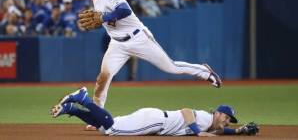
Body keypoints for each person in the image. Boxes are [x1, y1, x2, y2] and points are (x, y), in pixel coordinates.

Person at [64, 0, 222, 108]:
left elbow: (124, 10)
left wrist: (104, 16)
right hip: (117, 44)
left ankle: (205, 72)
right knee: (103, 78)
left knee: (171, 67)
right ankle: (98, 116)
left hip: (138, 38)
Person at [50, 87, 259, 136]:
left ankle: (71, 109)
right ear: (219, 114)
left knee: (104, 128)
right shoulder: (206, 118)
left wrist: (238, 131)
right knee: (111, 129)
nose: (228, 121)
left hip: (153, 117)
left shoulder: (212, 124)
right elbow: (186, 111)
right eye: (227, 118)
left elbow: (219, 132)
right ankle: (83, 97)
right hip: (156, 121)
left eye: (230, 120)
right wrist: (197, 131)